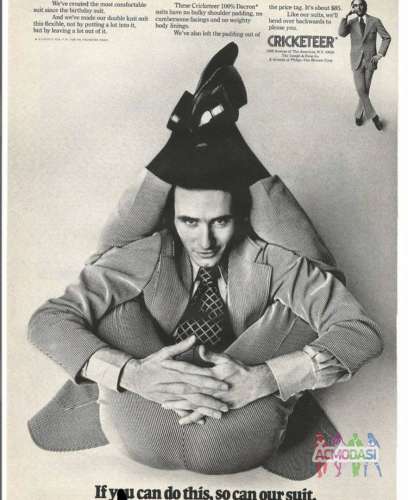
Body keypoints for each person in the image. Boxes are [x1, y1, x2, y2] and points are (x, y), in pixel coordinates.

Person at [27, 43, 383, 479]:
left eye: (221, 222)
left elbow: (362, 334)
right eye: (189, 222)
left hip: (236, 427)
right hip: (147, 416)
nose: (205, 240)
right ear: (169, 221)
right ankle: (226, 136)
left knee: (108, 268)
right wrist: (133, 375)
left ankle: (184, 136)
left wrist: (262, 379)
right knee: (110, 274)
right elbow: (46, 320)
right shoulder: (152, 251)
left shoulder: (269, 260)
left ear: (243, 220)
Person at [338, 0, 391, 130]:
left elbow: (386, 37)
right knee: (361, 89)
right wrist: (345, 16)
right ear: (353, 8)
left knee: (365, 91)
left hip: (370, 61)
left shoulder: (375, 21)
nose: (359, 7)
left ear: (365, 6)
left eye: (361, 4)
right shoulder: (351, 22)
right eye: (355, 5)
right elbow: (341, 33)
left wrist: (380, 54)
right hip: (356, 60)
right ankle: (374, 116)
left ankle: (358, 115)